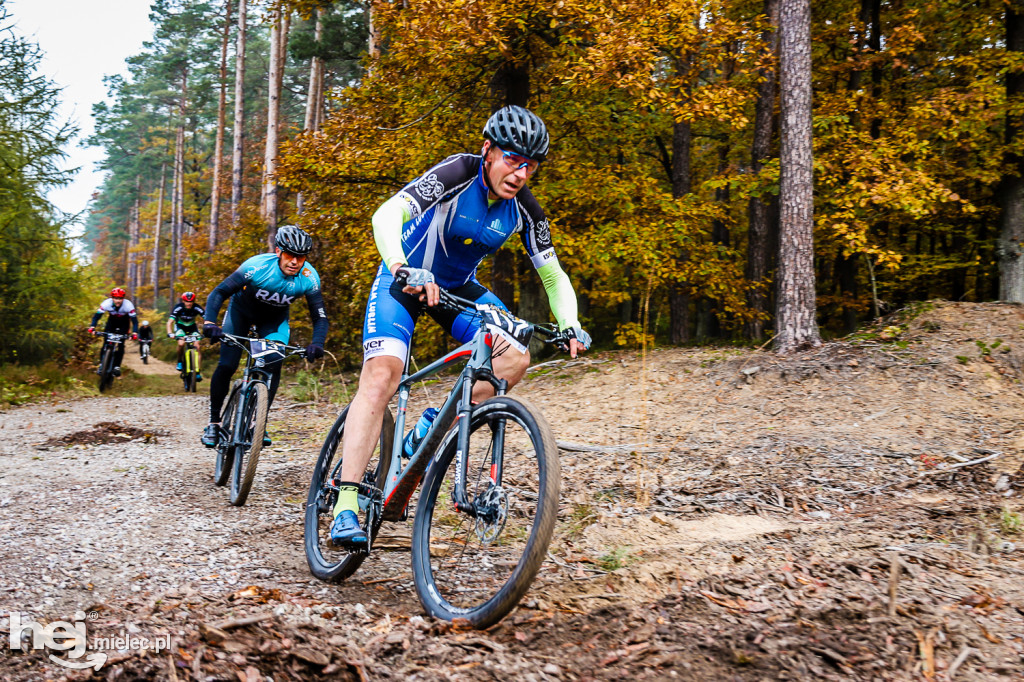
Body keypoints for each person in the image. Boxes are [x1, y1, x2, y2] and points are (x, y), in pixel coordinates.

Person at [329, 105, 591, 547]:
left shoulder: (525, 209)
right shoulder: (456, 172)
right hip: (404, 282)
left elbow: (553, 274)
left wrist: (570, 323)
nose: (521, 173)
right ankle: (345, 504)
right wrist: (399, 267)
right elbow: (386, 216)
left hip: (457, 289)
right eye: (512, 159)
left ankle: (432, 425)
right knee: (383, 375)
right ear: (488, 151)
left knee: (515, 356)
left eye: (530, 166)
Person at [200, 225, 328, 448]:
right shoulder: (257, 266)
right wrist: (210, 323)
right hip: (241, 313)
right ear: (278, 251)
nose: (295, 262)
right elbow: (219, 292)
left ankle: (258, 423)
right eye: (290, 255)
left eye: (301, 257)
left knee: (273, 363)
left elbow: (320, 316)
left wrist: (317, 343)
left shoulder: (309, 277)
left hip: (273, 321)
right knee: (228, 365)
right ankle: (214, 422)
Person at [88, 287, 139, 376]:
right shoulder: (106, 303)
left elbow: (134, 321)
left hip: (124, 322)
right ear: (112, 298)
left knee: (121, 344)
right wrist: (92, 326)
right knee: (105, 342)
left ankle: (117, 366)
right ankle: (101, 365)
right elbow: (96, 317)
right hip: (111, 322)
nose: (118, 301)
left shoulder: (128, 305)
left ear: (123, 299)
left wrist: (134, 333)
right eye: (116, 298)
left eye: (120, 299)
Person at [167, 291, 206, 379]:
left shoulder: (197, 307)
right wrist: (170, 333)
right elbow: (170, 322)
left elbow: (206, 319)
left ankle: (198, 372)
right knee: (181, 344)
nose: (189, 304)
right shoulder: (178, 307)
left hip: (192, 328)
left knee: (198, 347)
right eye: (187, 301)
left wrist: (208, 329)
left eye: (191, 302)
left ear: (193, 301)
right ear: (183, 301)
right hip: (180, 328)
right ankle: (180, 361)